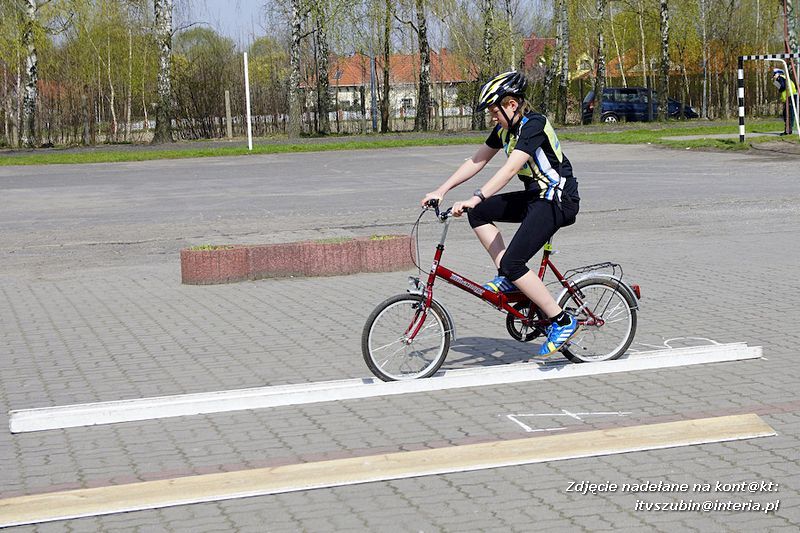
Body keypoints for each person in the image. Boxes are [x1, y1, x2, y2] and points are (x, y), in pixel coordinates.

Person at [420, 71, 581, 356]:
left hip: (558, 198)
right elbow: (475, 161)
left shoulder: (534, 125)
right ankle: (508, 277)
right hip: (535, 196)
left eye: (495, 110)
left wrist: (476, 196)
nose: (492, 117)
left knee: (515, 261)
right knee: (479, 214)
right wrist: (441, 190)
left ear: (511, 104)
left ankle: (562, 319)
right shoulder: (505, 129)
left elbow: (508, 170)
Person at [772, 68, 798, 135]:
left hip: (790, 96)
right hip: (790, 97)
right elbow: (782, 88)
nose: (773, 76)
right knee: (787, 114)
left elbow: (782, 88)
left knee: (788, 114)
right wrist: (775, 83)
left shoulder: (781, 78)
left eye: (774, 74)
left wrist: (776, 83)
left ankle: (788, 130)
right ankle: (788, 130)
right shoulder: (783, 78)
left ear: (778, 74)